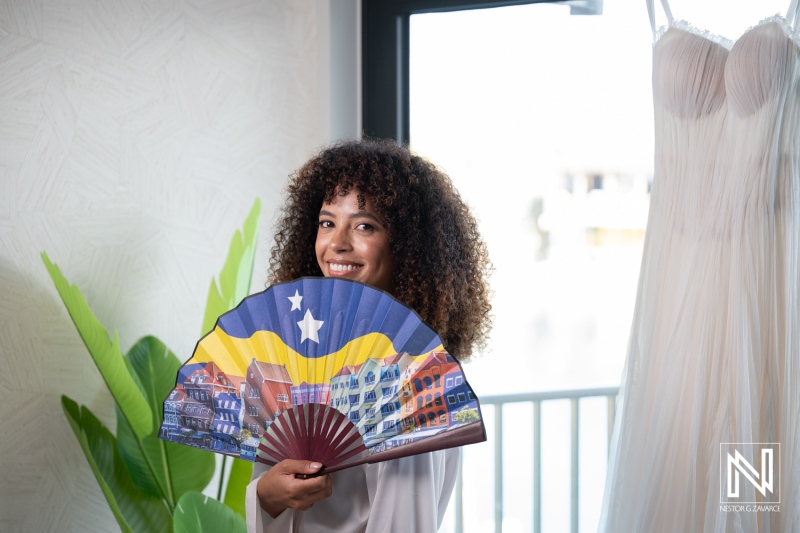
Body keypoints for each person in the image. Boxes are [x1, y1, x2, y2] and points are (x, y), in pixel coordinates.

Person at [245, 138, 492, 533]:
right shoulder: (295, 353)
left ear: (409, 247)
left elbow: (404, 525)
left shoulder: (412, 378)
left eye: (364, 225)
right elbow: (270, 492)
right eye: (327, 222)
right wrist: (265, 497)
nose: (337, 244)